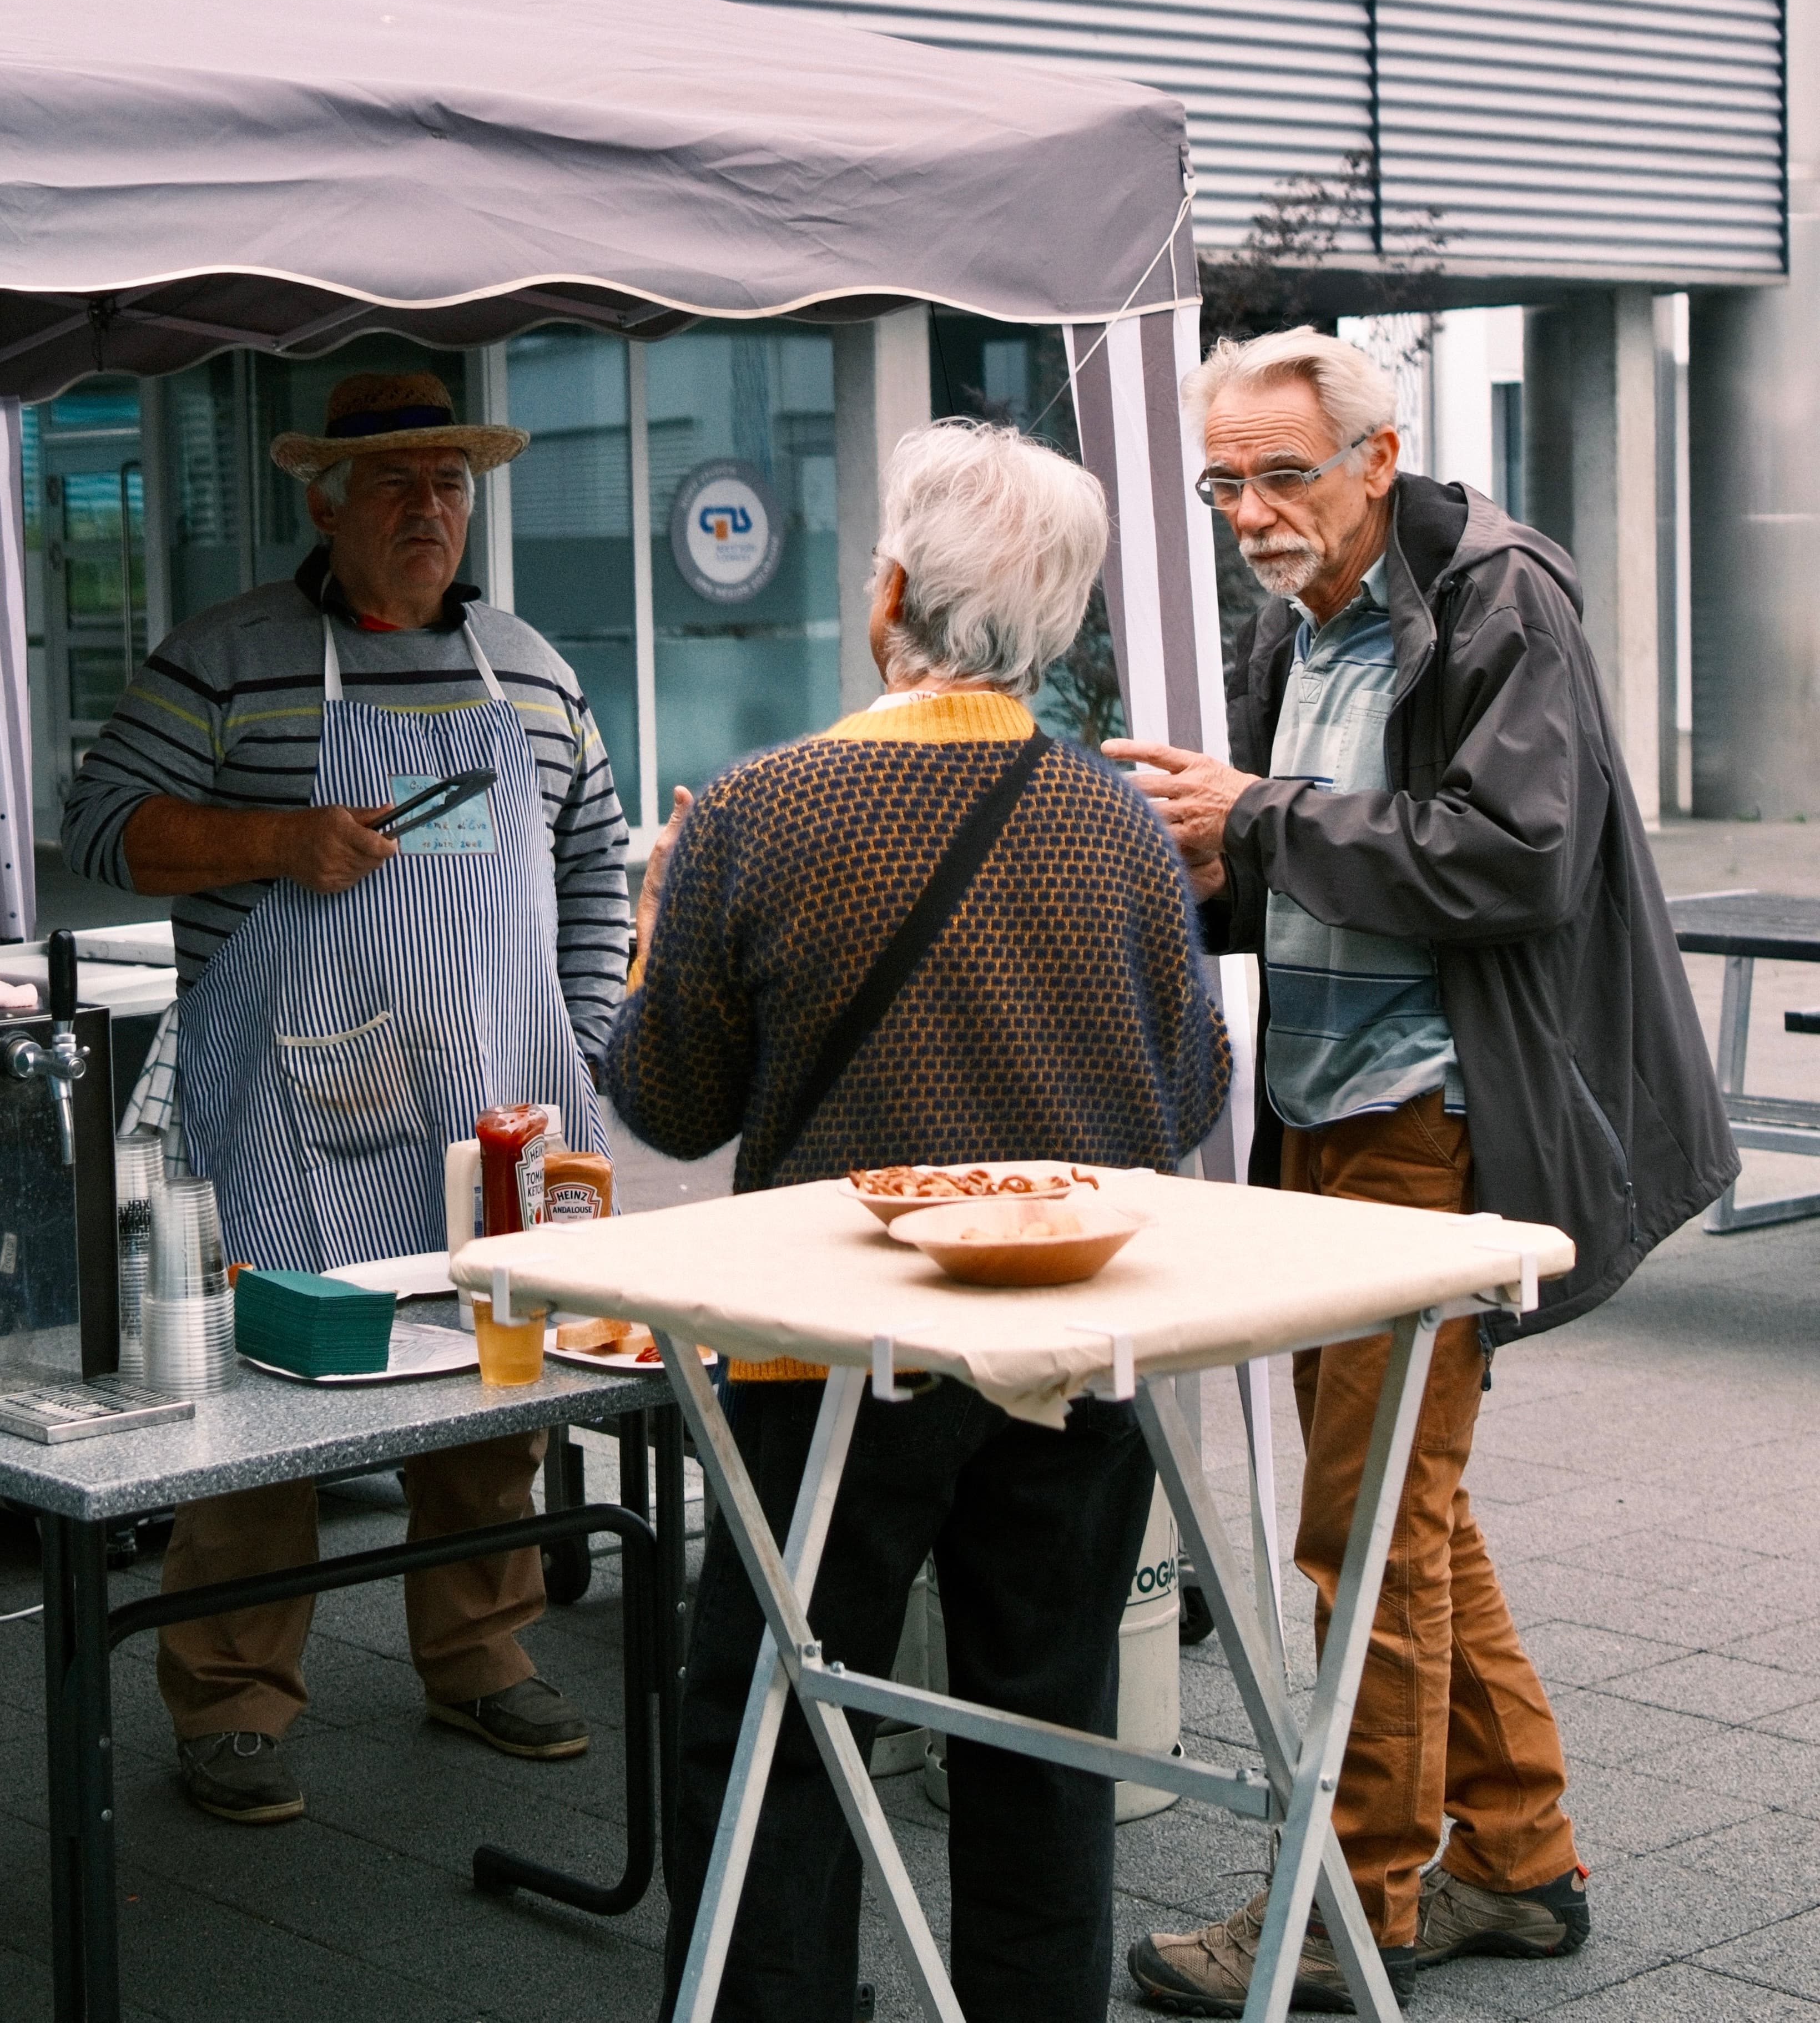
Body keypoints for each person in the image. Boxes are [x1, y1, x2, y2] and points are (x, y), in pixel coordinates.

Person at [1106, 328, 1737, 2012]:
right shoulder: (1300, 612)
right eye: (1221, 482)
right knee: (1408, 1503)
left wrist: (1251, 817)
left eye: (1282, 474)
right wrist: (1157, 841)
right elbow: (1292, 860)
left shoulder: (1500, 600)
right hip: (1322, 1110)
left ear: (1381, 458)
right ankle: (1520, 1861)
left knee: (1360, 1522)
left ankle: (1353, 1898)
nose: (1249, 512)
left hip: (1437, 1114)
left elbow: (1516, 859)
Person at [609, 417, 1232, 2023]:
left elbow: (668, 1102)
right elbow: (1186, 1103)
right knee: (1044, 1728)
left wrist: (658, 917)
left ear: (889, 590)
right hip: (1070, 1350)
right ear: (1064, 622)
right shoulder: (1127, 832)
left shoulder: (761, 811)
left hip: (831, 1360)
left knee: (772, 1719)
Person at [62, 370, 630, 1824]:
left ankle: (481, 1648)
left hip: (495, 1107)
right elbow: (105, 829)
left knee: (497, 1390)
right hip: (289, 1105)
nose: (428, 506)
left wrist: (578, 1046)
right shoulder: (227, 657)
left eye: (449, 481)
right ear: (323, 499)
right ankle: (235, 1698)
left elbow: (591, 869)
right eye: (394, 482)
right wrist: (272, 837)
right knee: (262, 1411)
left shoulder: (538, 673)